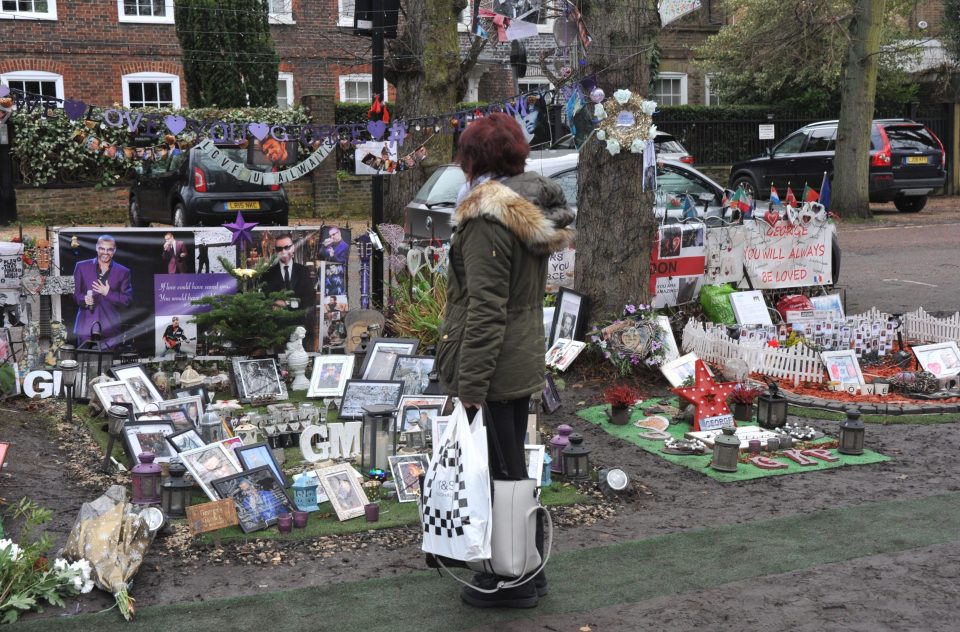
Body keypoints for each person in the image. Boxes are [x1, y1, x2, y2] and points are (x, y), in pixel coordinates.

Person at [436, 112, 574, 609]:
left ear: (475, 159)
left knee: (500, 473)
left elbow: (485, 310)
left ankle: (509, 579)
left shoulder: (487, 217)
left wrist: (469, 389)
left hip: (494, 366)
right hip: (518, 356)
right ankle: (526, 569)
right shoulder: (527, 207)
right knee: (510, 468)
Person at [72, 234, 133, 348]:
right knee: (84, 362)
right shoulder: (81, 267)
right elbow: (75, 294)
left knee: (106, 364)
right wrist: (84, 299)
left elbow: (127, 300)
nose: (105, 252)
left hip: (110, 327)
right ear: (96, 248)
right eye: (102, 248)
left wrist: (108, 293)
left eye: (109, 249)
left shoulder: (123, 271)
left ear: (114, 251)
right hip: (85, 326)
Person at [261, 233, 317, 348]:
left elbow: (309, 299)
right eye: (279, 248)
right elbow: (267, 299)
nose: (283, 251)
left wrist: (285, 303)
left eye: (287, 247)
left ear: (293, 248)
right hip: (277, 332)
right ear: (275, 251)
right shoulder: (268, 274)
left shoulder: (304, 271)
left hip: (301, 328)